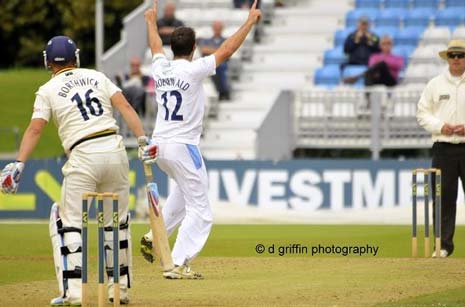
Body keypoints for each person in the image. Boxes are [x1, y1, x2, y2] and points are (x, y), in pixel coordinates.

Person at [0, 36, 156, 305]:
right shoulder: (97, 76)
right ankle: (118, 289)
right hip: (115, 150)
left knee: (66, 220)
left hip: (83, 155)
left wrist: (19, 164)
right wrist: (143, 141)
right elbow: (126, 106)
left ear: (48, 62)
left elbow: (36, 128)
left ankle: (73, 292)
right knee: (115, 222)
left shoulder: (47, 89)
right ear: (77, 57)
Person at [140, 0, 261, 279]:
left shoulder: (160, 68)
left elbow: (155, 47)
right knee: (202, 210)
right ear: (194, 49)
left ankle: (154, 236)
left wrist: (150, 20)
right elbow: (227, 49)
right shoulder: (194, 69)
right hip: (183, 146)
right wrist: (250, 22)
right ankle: (178, 263)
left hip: (160, 146)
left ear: (174, 48)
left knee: (183, 195)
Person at [417, 39, 465, 258]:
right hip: (443, 148)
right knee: (443, 197)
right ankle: (444, 246)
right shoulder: (435, 84)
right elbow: (422, 113)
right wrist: (441, 126)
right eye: (453, 55)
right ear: (447, 58)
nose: (456, 60)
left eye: (460, 55)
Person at [198, 20, 231, 101]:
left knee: (219, 67)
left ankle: (221, 91)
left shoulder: (226, 40)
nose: (217, 29)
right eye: (216, 27)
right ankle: (223, 91)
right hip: (209, 63)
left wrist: (212, 51)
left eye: (219, 27)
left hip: (222, 64)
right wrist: (219, 51)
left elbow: (228, 52)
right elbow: (203, 49)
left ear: (222, 28)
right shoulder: (206, 40)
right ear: (213, 28)